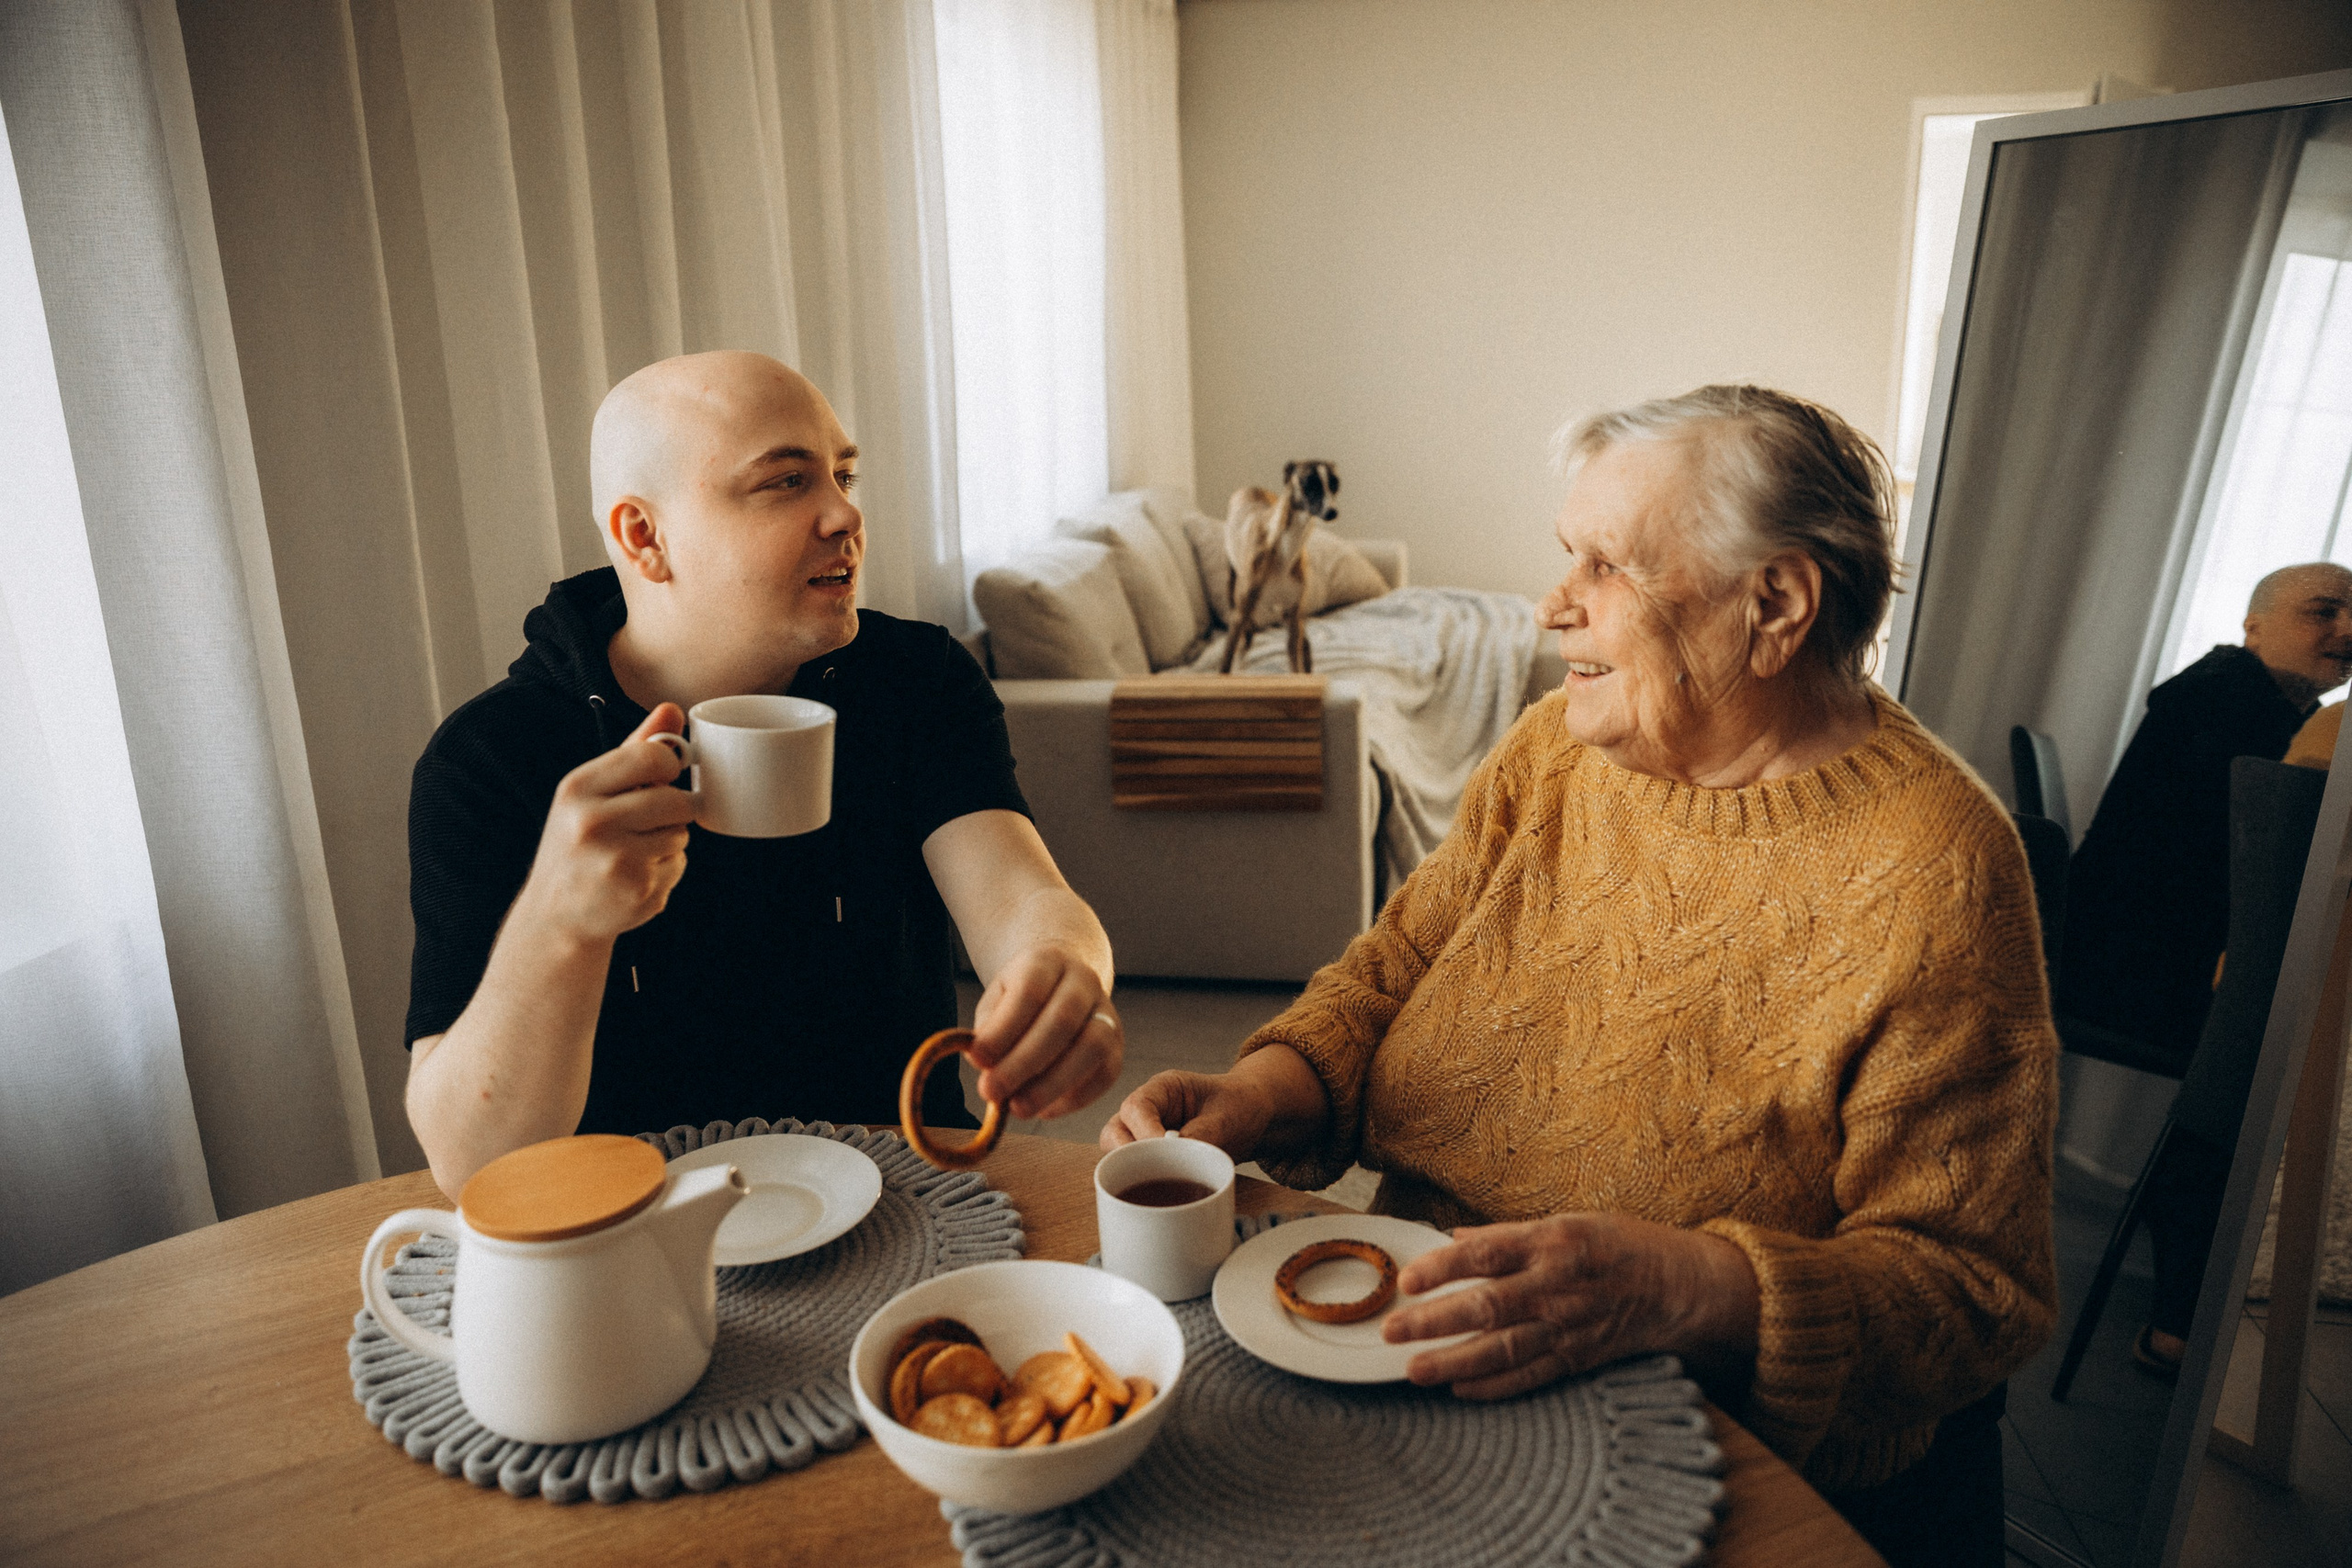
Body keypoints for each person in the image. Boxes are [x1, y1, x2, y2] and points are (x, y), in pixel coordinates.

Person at [1102, 385, 2058, 1568]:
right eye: (1569, 557)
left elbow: (1970, 1289)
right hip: (1412, 1338)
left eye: (1603, 567)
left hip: (1696, 1446)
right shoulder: (1559, 747)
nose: (1553, 607)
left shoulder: (1937, 869)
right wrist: (1269, 1086)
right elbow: (1398, 963)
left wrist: (1692, 1287)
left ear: (1775, 604)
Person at [405, 351, 1123, 1198]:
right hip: (628, 1233)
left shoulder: (914, 679)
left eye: (843, 473)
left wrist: (1065, 969)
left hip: (910, 1192)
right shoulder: (493, 755)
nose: (845, 512)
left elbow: (1022, 895)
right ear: (646, 536)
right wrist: (560, 922)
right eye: (786, 482)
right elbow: (469, 1164)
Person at [2060, 562, 2352, 1073]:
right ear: (2253, 625)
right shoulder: (2225, 705)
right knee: (2306, 1046)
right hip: (2126, 971)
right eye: (2323, 611)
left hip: (2108, 948)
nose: (2348, 629)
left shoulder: (2251, 699)